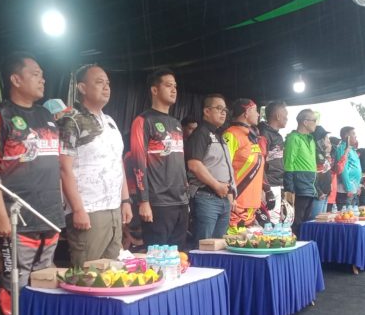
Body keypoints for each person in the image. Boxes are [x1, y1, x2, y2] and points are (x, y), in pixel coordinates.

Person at [0, 52, 65, 308]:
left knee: (44, 282)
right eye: (35, 74)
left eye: (43, 75)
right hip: (16, 219)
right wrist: (1, 214)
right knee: (15, 286)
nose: (43, 79)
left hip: (49, 215)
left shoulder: (47, 116)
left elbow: (55, 165)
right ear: (16, 80)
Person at [57, 64, 132, 267]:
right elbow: (64, 167)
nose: (106, 87)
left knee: (112, 271)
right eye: (99, 82)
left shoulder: (110, 121)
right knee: (88, 273)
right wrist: (77, 209)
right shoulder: (71, 120)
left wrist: (125, 200)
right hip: (89, 209)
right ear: (82, 88)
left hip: (113, 207)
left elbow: (117, 161)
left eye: (107, 83)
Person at [128, 69, 188, 248]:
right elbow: (138, 162)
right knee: (157, 258)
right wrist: (144, 201)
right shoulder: (143, 120)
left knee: (179, 256)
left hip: (181, 201)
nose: (174, 90)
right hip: (158, 202)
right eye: (168, 85)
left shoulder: (176, 123)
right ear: (154, 90)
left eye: (175, 86)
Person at [185, 94, 235, 241]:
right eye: (219, 108)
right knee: (204, 245)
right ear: (206, 111)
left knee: (219, 246)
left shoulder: (220, 135)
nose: (223, 113)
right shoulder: (201, 133)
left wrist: (230, 191)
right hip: (206, 196)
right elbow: (194, 164)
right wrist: (217, 185)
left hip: (223, 197)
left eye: (225, 110)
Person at [223, 99, 264, 231]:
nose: (258, 114)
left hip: (252, 203)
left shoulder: (251, 135)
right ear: (246, 112)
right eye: (255, 110)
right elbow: (224, 166)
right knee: (234, 241)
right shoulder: (231, 134)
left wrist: (266, 189)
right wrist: (230, 195)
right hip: (237, 204)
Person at [283, 109, 318, 234]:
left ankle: (304, 243)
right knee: (296, 221)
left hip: (310, 186)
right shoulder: (293, 138)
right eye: (314, 120)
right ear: (305, 122)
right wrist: (290, 187)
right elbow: (288, 162)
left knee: (306, 221)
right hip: (299, 186)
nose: (316, 123)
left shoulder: (311, 140)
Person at [258, 101, 287, 222]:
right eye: (285, 114)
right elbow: (259, 163)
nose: (287, 118)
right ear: (278, 116)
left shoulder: (278, 136)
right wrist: (266, 189)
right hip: (267, 185)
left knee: (275, 221)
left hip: (277, 183)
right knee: (267, 223)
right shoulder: (263, 133)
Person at [333, 126, 362, 207]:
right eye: (353, 134)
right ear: (347, 136)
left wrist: (358, 186)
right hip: (345, 191)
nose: (355, 136)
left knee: (353, 213)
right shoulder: (343, 148)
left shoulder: (352, 149)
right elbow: (343, 169)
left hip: (353, 189)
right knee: (345, 213)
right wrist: (348, 188)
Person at [311, 126, 332, 218]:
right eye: (325, 137)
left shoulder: (322, 152)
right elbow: (313, 175)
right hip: (318, 194)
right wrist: (319, 192)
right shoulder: (314, 153)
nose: (327, 140)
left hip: (325, 193)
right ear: (319, 138)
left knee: (322, 221)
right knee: (315, 220)